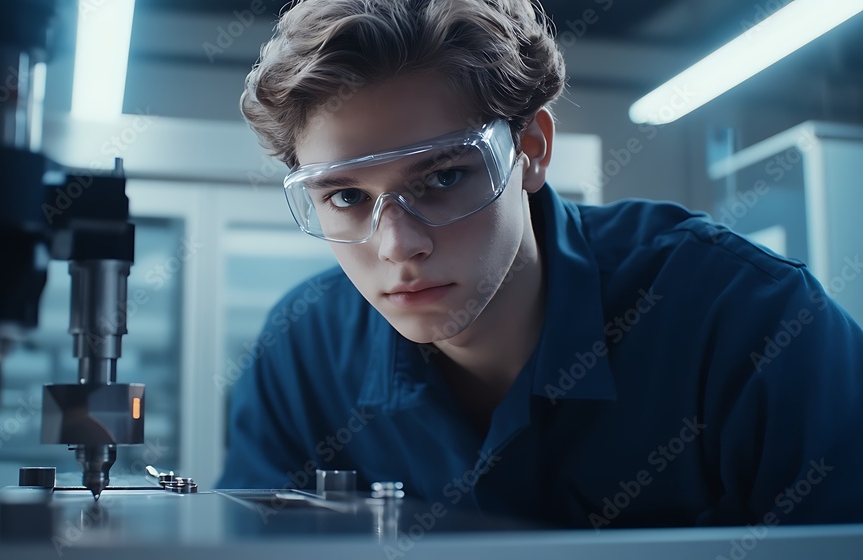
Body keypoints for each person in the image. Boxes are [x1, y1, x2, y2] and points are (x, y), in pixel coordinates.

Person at [216, 0, 863, 529]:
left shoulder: (755, 327)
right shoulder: (300, 355)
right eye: (348, 197)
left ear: (531, 149)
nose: (398, 246)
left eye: (443, 177)